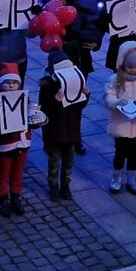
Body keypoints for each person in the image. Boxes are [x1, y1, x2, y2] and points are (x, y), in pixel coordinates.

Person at [104, 41, 136, 195]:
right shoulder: (115, 80)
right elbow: (109, 97)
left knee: (134, 152)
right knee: (120, 151)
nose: (134, 70)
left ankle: (132, 177)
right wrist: (117, 103)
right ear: (122, 64)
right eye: (130, 67)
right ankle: (117, 176)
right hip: (121, 123)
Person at [38, 48, 88, 202]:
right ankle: (54, 187)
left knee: (68, 162)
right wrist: (55, 101)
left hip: (71, 132)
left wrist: (86, 95)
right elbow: (44, 109)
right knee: (54, 162)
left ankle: (65, 186)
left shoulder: (74, 83)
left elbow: (79, 106)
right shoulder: (47, 86)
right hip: (55, 132)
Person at [0, 63, 34, 216]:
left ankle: (16, 196)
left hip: (22, 141)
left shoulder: (25, 99)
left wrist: (36, 116)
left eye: (14, 83)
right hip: (5, 143)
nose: (11, 86)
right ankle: (2, 198)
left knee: (18, 171)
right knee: (3, 171)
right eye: (7, 83)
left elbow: (31, 117)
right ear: (1, 85)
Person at [47, 0, 101, 79]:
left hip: (80, 53)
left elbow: (95, 22)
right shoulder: (50, 2)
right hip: (59, 52)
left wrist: (95, 41)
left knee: (80, 86)